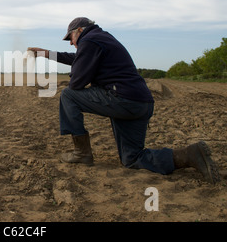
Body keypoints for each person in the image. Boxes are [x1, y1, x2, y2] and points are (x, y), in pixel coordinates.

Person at [29, 17, 220, 184]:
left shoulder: (89, 41)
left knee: (68, 95)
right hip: (141, 103)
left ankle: (82, 153)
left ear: (79, 30)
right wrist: (48, 54)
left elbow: (77, 83)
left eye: (69, 38)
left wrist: (77, 74)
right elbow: (78, 57)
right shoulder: (101, 38)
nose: (70, 43)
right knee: (133, 158)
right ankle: (189, 155)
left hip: (122, 99)